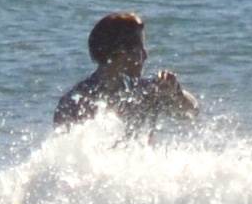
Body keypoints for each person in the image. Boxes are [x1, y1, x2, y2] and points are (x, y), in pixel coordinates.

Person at [54, 11, 200, 132]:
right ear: (120, 53)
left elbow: (191, 113)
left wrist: (176, 93)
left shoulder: (148, 91)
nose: (145, 55)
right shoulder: (76, 101)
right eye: (140, 49)